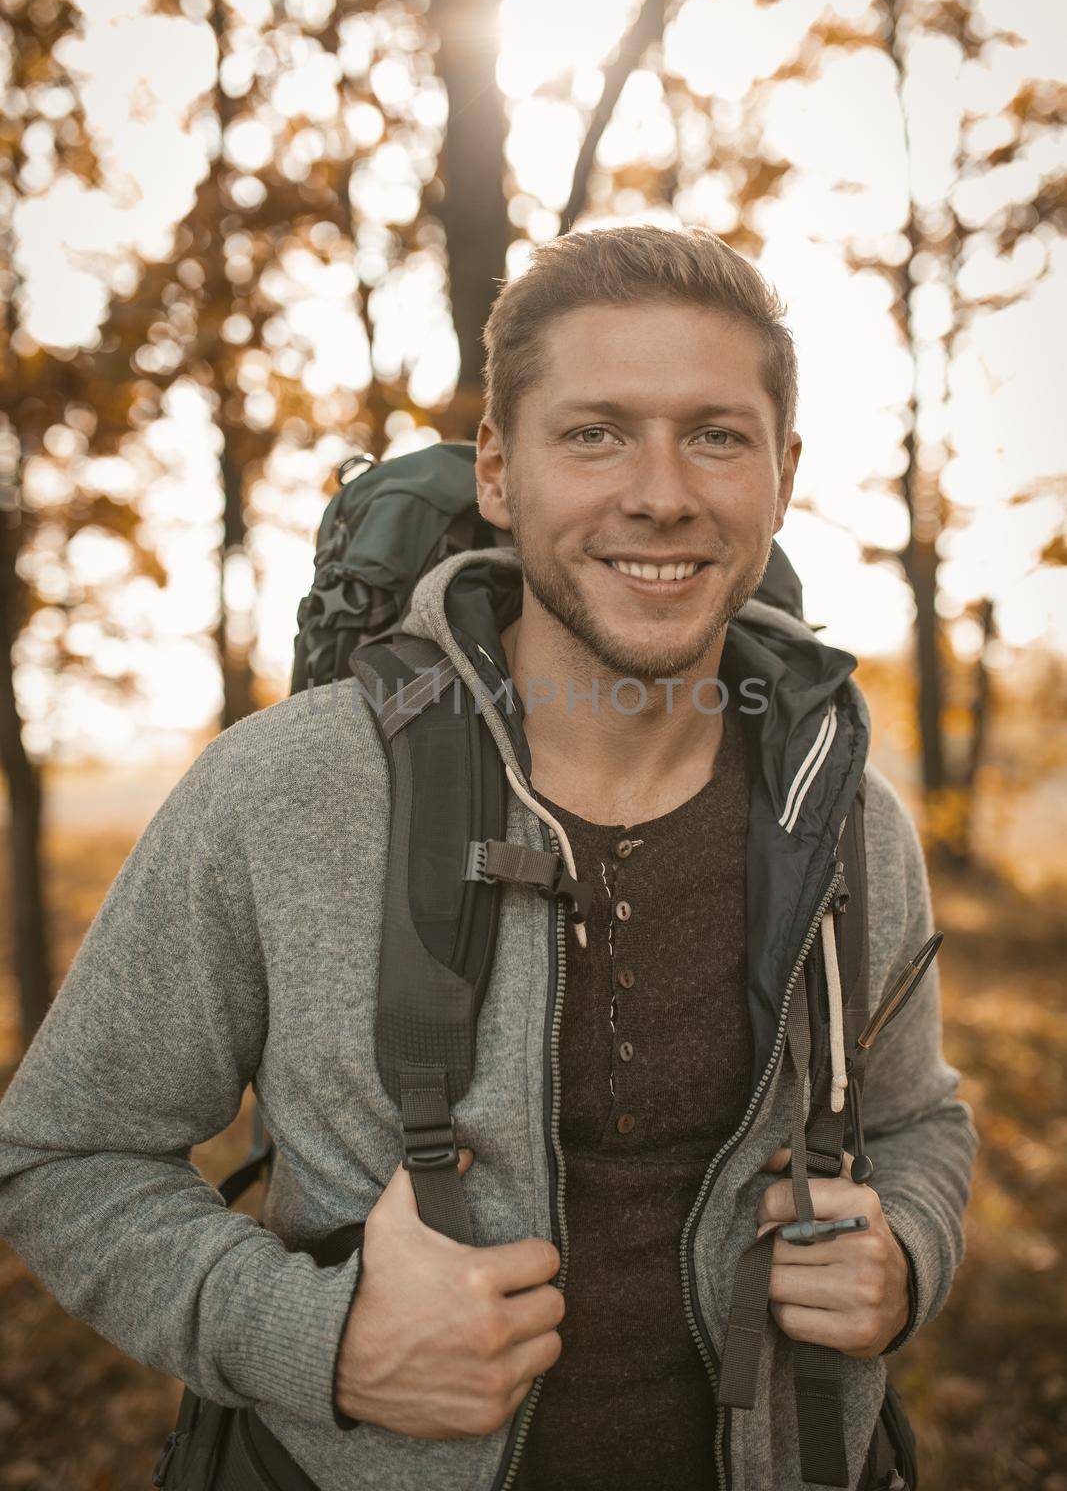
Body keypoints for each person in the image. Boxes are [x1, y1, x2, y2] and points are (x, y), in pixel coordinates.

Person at [0, 226, 976, 1491]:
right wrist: (324, 1343)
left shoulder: (841, 815)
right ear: (499, 475)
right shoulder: (284, 791)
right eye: (593, 432)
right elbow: (66, 1155)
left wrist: (908, 1249)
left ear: (782, 474)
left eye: (716, 435)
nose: (661, 491)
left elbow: (917, 1121)